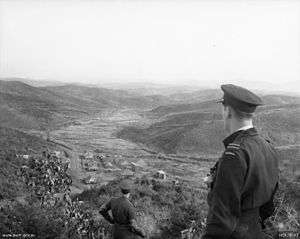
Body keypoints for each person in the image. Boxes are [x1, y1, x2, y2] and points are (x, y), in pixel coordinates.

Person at [202, 84, 279, 239]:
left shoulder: (234, 155)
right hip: (256, 231)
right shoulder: (268, 147)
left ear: (228, 111)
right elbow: (269, 204)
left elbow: (221, 221)